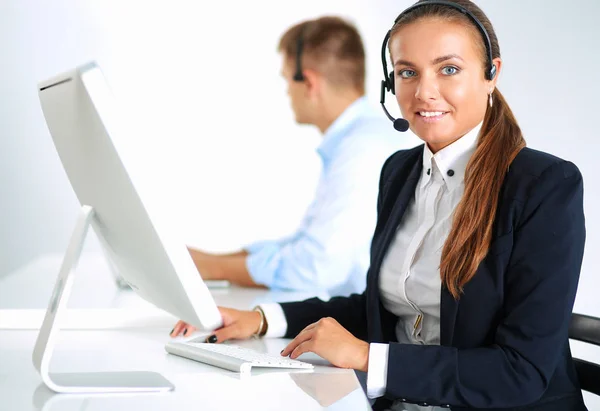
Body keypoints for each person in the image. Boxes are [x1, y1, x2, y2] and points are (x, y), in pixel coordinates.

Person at [173, 1, 587, 410]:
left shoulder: (545, 186)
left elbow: (520, 372)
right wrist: (264, 318)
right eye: (408, 72)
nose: (424, 92)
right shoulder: (400, 171)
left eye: (448, 69)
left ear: (491, 73)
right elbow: (379, 308)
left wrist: (368, 357)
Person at [189, 16, 418, 296]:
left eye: (287, 79)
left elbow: (317, 266)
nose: (287, 91)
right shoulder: (359, 138)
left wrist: (212, 268)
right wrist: (210, 261)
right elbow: (304, 243)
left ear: (308, 82)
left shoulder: (363, 149)